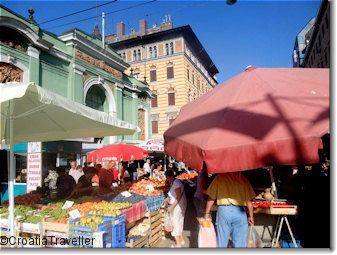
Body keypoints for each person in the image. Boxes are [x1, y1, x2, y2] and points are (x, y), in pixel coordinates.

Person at [204, 172, 256, 248]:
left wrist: (207, 213)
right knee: (240, 242)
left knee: (222, 239)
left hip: (224, 211)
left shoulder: (219, 178)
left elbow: (211, 198)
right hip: (240, 211)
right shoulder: (243, 179)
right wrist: (251, 216)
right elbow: (249, 201)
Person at [164, 169, 187, 248]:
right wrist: (167, 199)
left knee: (175, 222)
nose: (167, 180)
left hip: (177, 205)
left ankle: (178, 244)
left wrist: (171, 207)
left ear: (170, 176)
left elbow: (178, 196)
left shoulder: (176, 183)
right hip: (179, 205)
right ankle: (181, 240)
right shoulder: (175, 182)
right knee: (179, 221)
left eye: (167, 178)